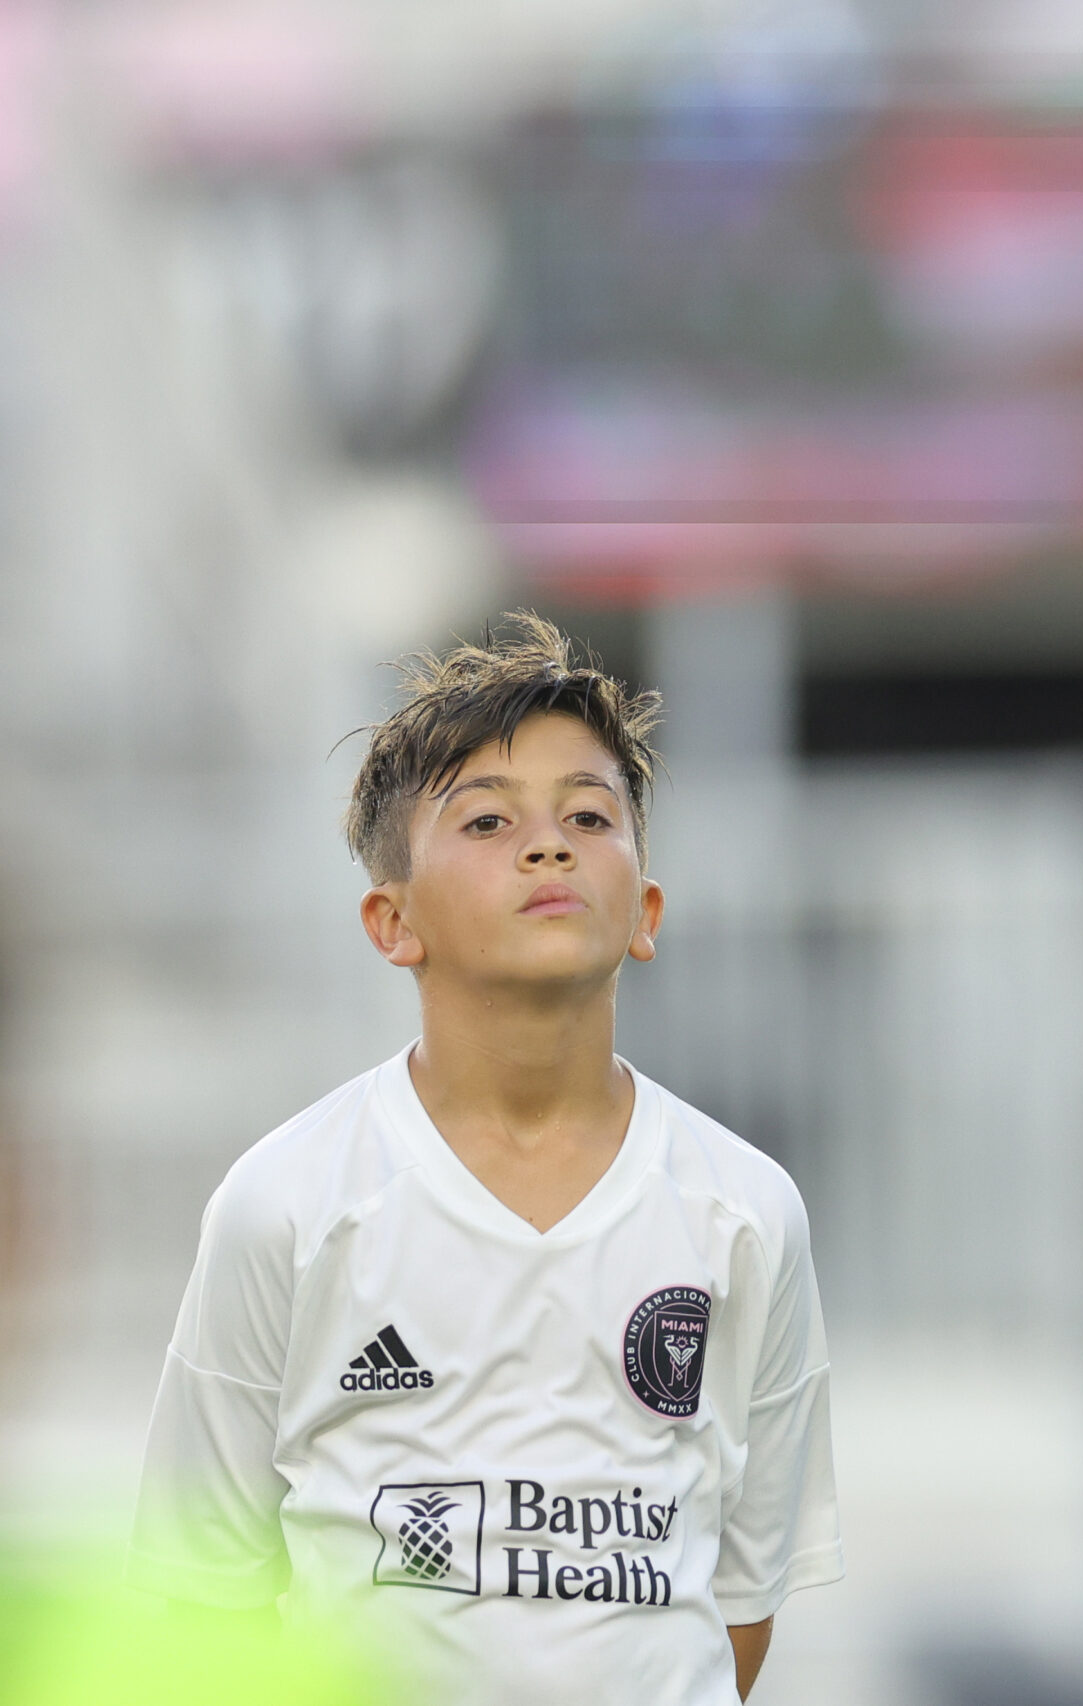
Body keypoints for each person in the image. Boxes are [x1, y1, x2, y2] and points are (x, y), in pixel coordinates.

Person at [128, 618, 842, 1705]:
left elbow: (743, 1598)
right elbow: (204, 1588)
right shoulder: (285, 1203)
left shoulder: (744, 1207)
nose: (549, 844)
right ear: (392, 919)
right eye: (489, 818)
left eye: (590, 815)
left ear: (646, 909)